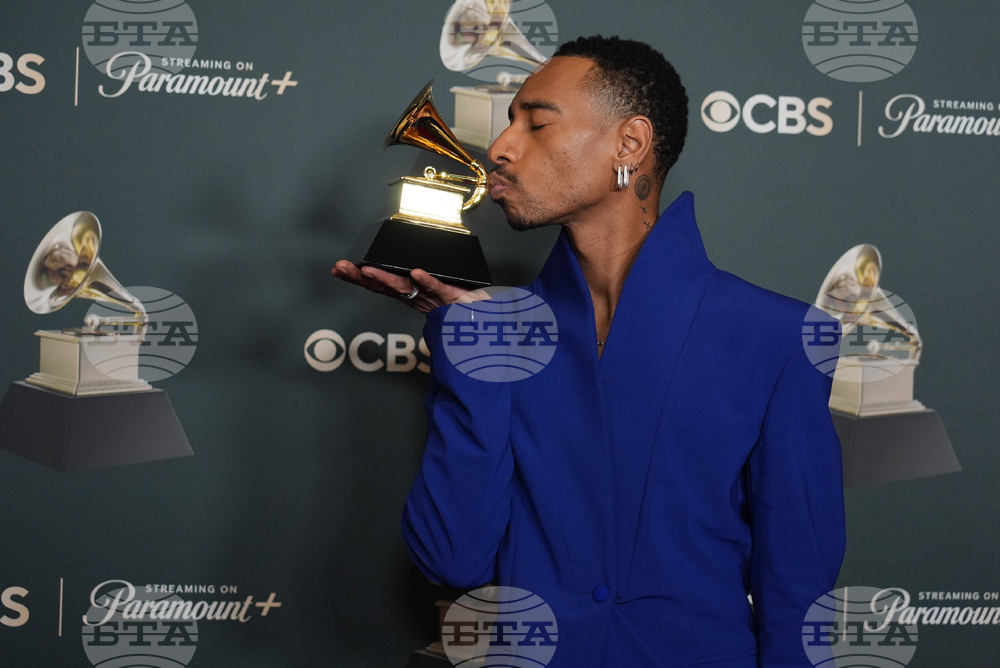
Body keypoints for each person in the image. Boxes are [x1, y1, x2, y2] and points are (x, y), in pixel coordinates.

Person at [333, 35, 845, 668]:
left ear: (629, 144)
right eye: (507, 122)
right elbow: (451, 558)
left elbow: (798, 591)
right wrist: (463, 343)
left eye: (537, 122)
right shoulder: (496, 332)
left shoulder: (780, 335)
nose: (499, 147)